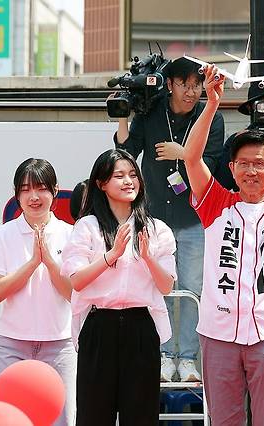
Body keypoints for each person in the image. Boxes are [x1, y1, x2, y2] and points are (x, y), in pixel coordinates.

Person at [182, 65, 264, 425]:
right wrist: (212, 103)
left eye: (259, 164)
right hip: (219, 333)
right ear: (232, 168)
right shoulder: (216, 204)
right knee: (223, 420)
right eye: (243, 163)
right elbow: (191, 158)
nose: (251, 171)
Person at [114, 56, 224, 382]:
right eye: (184, 84)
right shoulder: (152, 110)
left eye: (196, 85)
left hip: (194, 219)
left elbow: (211, 165)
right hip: (154, 219)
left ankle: (187, 358)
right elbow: (127, 151)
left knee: (192, 290)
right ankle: (161, 354)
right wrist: (123, 115)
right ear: (171, 84)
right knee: (156, 288)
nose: (191, 92)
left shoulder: (211, 116)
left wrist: (184, 154)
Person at [61, 149, 176, 425]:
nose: (128, 181)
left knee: (141, 415)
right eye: (119, 176)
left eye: (133, 175)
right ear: (101, 183)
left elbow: (166, 286)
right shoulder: (87, 227)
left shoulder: (156, 229)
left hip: (141, 326)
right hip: (99, 326)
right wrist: (110, 256)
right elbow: (76, 280)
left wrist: (147, 257)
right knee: (93, 414)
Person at [0, 158, 76, 426]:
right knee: (6, 419)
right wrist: (33, 263)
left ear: (54, 191)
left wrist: (49, 261)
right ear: (17, 195)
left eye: (41, 188)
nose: (34, 197)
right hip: (11, 344)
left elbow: (73, 294)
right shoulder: (1, 235)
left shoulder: (71, 234)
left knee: (62, 419)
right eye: (25, 190)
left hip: (60, 345)